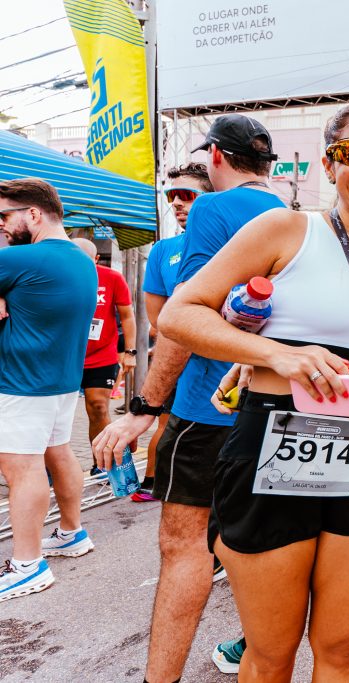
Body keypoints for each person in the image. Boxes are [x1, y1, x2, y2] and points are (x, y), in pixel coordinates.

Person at [159, 101, 349, 683]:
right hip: (273, 444)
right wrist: (272, 355)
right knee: (271, 655)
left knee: (343, 650)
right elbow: (179, 313)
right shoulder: (288, 229)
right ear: (329, 163)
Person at [92, 113, 282, 683]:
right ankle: (255, 659)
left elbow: (183, 319)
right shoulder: (295, 219)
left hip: (206, 409)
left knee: (185, 550)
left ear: (216, 159)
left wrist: (143, 409)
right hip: (269, 406)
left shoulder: (211, 210)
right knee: (260, 546)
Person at [0, 178, 98, 602]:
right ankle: (71, 532)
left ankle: (27, 564)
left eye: (5, 217)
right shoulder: (81, 259)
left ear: (34, 214)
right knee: (57, 452)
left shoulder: (24, 258)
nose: (3, 227)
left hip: (23, 380)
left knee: (21, 470)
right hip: (60, 380)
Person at [133, 163, 213, 502]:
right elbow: (158, 320)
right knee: (167, 428)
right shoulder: (163, 250)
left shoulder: (239, 241)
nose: (177, 203)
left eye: (187, 195)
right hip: (178, 364)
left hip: (231, 371)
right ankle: (153, 483)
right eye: (172, 196)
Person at [70, 238, 137, 475]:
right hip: (66, 356)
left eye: (85, 262)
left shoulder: (112, 278)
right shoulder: (59, 277)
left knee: (98, 407)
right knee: (57, 412)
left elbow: (127, 316)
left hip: (101, 355)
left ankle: (104, 463)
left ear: (96, 260)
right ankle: (49, 468)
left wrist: (130, 352)